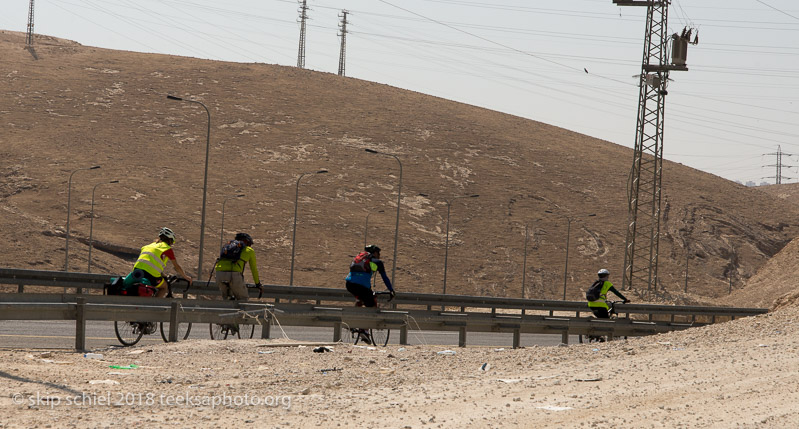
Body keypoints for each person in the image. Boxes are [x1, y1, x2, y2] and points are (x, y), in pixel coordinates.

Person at [126, 227, 193, 299]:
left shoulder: (148, 246)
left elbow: (150, 263)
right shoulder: (167, 249)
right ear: (170, 240)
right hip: (151, 275)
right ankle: (154, 305)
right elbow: (176, 266)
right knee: (164, 287)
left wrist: (163, 275)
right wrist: (186, 277)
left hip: (136, 272)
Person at [214, 232, 261, 301]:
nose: (250, 246)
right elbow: (253, 269)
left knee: (227, 300)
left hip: (219, 274)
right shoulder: (249, 250)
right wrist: (258, 284)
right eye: (250, 244)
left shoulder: (228, 248)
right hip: (234, 274)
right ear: (246, 241)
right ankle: (241, 311)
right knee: (243, 299)